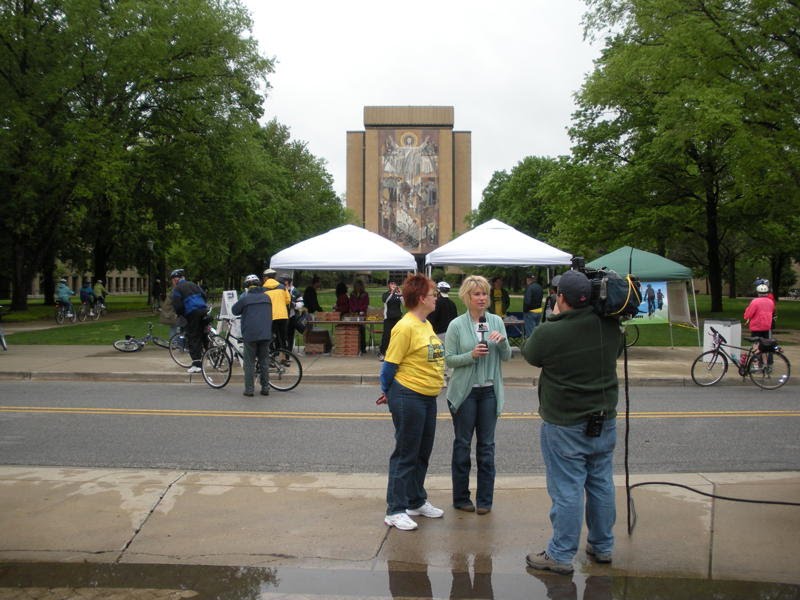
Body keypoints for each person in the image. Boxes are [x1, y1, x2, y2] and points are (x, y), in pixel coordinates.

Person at [521, 270, 624, 575]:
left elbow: (530, 354)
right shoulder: (609, 326)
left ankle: (561, 554)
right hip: (604, 420)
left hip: (565, 423)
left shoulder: (551, 332)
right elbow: (617, 349)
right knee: (601, 482)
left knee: (567, 489)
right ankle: (602, 545)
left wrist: (553, 317)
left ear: (560, 298)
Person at [379, 274, 445, 531]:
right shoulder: (404, 326)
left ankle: (416, 501)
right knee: (406, 453)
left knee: (422, 452)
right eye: (433, 294)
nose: (436, 298)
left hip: (428, 396)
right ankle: (395, 509)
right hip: (409, 395)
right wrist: (388, 391)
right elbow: (389, 366)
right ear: (421, 298)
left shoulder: (424, 324)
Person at [444, 275, 511, 515]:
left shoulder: (495, 322)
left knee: (487, 448)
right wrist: (471, 355)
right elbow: (448, 358)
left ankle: (485, 500)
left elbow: (507, 356)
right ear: (467, 297)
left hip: (489, 392)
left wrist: (502, 343)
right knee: (462, 446)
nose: (482, 298)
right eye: (477, 294)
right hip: (465, 394)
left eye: (484, 293)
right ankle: (461, 498)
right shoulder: (456, 325)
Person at [232, 274, 273, 397]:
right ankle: (265, 387)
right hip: (266, 333)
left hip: (250, 335)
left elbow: (234, 310)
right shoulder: (267, 297)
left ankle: (249, 389)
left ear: (247, 286)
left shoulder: (245, 299)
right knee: (264, 361)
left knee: (249, 363)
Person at [170, 268, 208, 373]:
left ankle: (197, 364)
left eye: (173, 279)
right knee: (204, 335)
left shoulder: (177, 289)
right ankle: (213, 356)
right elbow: (204, 296)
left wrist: (182, 314)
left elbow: (177, 305)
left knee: (193, 337)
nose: (173, 282)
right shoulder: (193, 284)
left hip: (192, 313)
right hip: (203, 310)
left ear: (176, 280)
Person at [262, 268, 291, 355]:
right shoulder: (282, 287)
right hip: (282, 315)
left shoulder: (263, 289)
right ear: (274, 277)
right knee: (283, 336)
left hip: (270, 316)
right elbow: (288, 300)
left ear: (266, 278)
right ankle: (286, 356)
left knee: (271, 336)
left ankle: (273, 355)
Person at [378, 280, 404, 361]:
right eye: (392, 283)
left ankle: (397, 354)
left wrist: (401, 295)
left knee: (398, 336)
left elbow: (405, 304)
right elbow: (386, 301)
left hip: (397, 318)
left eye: (395, 283)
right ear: (388, 285)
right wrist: (392, 292)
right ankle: (382, 353)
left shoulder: (398, 295)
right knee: (386, 336)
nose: (393, 285)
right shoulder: (385, 294)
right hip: (388, 318)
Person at [349, 279, 370, 353]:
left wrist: (361, 310)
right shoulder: (352, 294)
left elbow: (366, 304)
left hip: (362, 314)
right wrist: (355, 310)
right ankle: (354, 347)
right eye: (356, 286)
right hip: (354, 314)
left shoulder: (365, 294)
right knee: (353, 330)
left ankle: (363, 348)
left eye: (359, 286)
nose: (358, 287)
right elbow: (350, 304)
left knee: (362, 330)